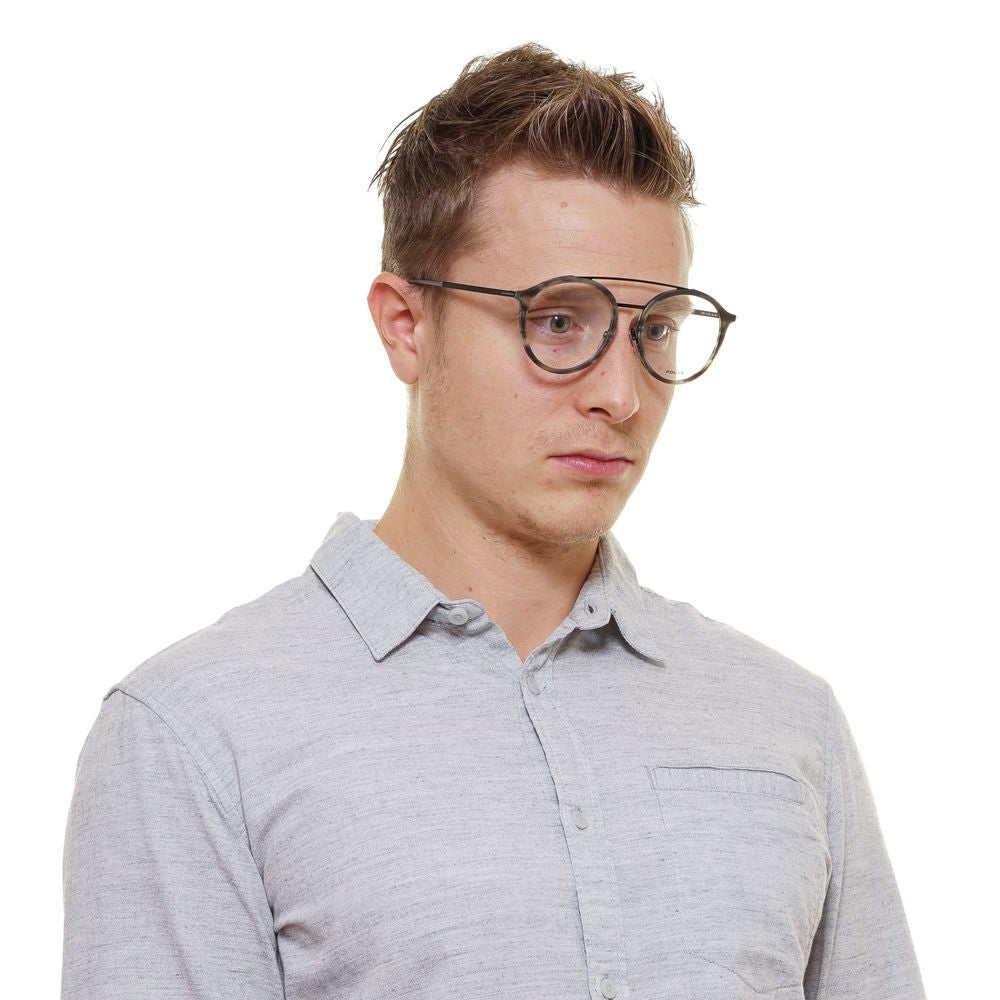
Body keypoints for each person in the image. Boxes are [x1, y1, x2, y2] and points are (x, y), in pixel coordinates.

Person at [61, 42, 926, 1000]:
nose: (621, 394)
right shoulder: (193, 733)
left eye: (654, 330)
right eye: (557, 321)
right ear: (406, 324)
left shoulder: (788, 721)